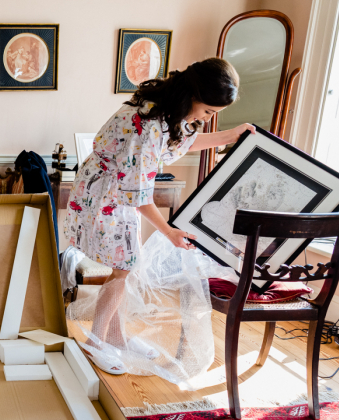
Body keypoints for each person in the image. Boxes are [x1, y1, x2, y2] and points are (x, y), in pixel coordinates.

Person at [65, 57, 255, 374]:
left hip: (116, 193)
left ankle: (116, 336)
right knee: (124, 269)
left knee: (123, 267)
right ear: (192, 95)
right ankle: (96, 341)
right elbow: (138, 194)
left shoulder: (164, 107)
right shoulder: (150, 126)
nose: (208, 120)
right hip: (109, 196)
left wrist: (228, 135)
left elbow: (184, 141)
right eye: (208, 111)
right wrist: (169, 232)